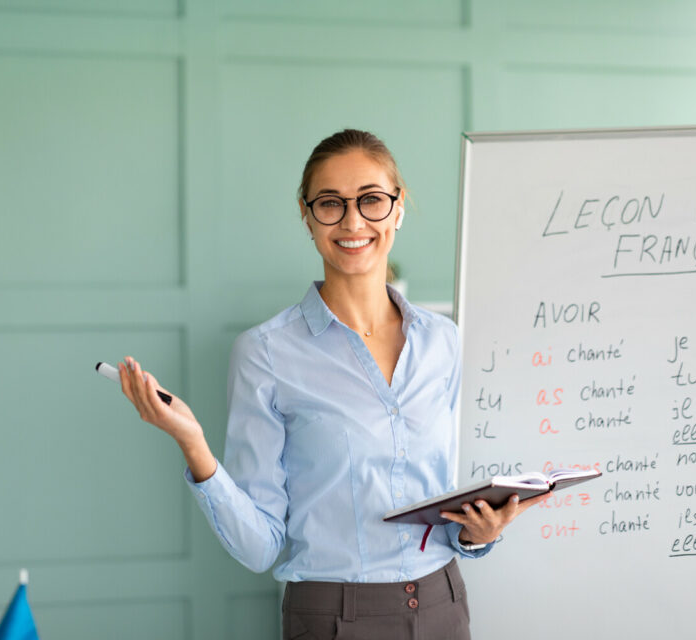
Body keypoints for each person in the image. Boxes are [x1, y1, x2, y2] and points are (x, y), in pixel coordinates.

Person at [118, 129, 542, 639]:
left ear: (398, 207)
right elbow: (260, 547)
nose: (353, 221)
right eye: (330, 204)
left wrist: (478, 535)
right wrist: (193, 444)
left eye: (371, 200)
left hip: (442, 605)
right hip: (332, 619)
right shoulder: (266, 353)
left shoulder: (443, 342)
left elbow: (448, 506)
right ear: (306, 215)